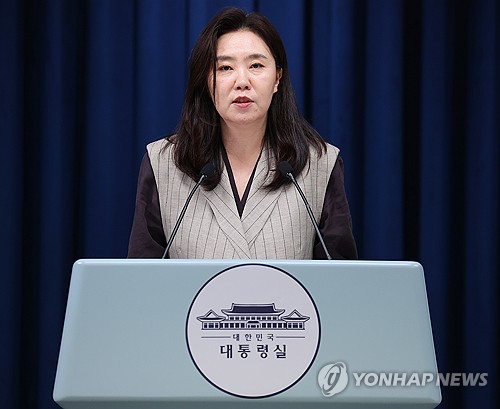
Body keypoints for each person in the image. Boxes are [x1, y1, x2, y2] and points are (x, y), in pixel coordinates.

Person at [127, 7, 357, 260]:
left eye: (256, 65)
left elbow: (340, 279)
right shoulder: (163, 163)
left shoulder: (320, 164)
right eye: (225, 68)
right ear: (206, 81)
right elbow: (142, 278)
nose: (242, 82)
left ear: (278, 78)